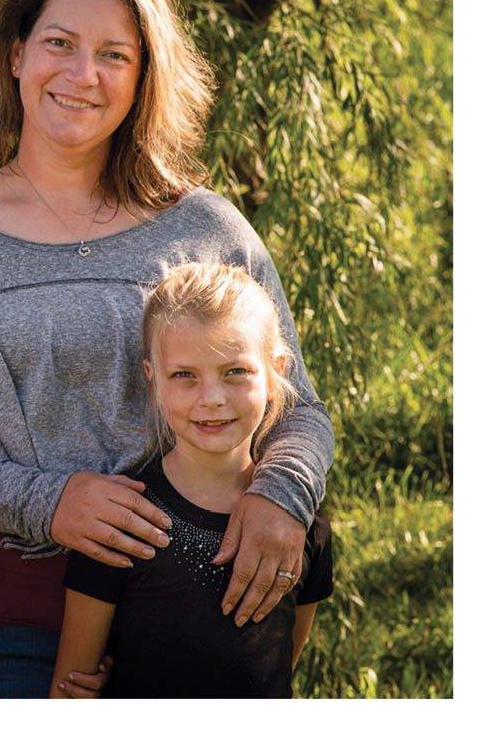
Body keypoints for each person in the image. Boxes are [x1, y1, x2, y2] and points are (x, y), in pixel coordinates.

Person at [0, 0, 334, 698]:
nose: (83, 74)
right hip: (1, 630)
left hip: (194, 607)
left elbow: (299, 408)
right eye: (59, 43)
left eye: (115, 54)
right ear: (16, 54)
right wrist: (46, 502)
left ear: (144, 75)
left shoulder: (206, 227)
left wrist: (284, 493)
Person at [50, 262, 333, 698]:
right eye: (185, 375)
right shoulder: (122, 521)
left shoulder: (301, 523)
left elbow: (282, 665)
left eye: (235, 371)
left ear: (276, 372)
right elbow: (72, 688)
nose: (212, 399)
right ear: (154, 380)